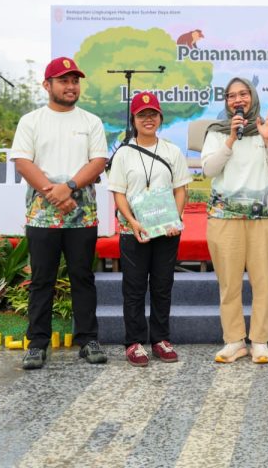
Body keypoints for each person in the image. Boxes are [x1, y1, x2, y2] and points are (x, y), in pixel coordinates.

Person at [10, 57, 108, 369]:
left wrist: (68, 187)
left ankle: (88, 340)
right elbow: (24, 162)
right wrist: (55, 194)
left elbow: (98, 161)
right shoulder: (32, 121)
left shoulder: (90, 121)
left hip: (82, 212)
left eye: (75, 81)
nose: (71, 86)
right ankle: (37, 344)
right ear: (47, 85)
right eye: (64, 81)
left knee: (82, 276)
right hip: (42, 212)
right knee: (42, 279)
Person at [201, 77, 268, 364]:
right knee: (228, 281)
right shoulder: (215, 131)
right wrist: (229, 139)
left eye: (243, 94)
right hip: (224, 216)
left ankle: (260, 340)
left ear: (252, 97)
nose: (238, 100)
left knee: (263, 280)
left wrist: (267, 140)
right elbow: (210, 170)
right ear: (225, 101)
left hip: (263, 217)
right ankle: (234, 340)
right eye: (231, 96)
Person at [108, 92, 191, 367]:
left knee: (162, 285)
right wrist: (132, 221)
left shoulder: (171, 151)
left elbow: (181, 189)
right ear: (133, 119)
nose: (148, 119)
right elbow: (119, 193)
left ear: (160, 118)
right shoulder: (123, 153)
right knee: (133, 287)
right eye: (142, 115)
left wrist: (174, 220)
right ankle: (134, 342)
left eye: (153, 114)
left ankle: (160, 339)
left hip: (166, 232)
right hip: (135, 231)